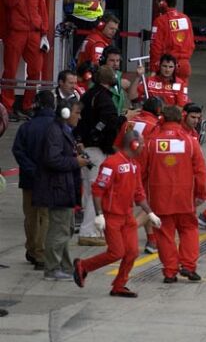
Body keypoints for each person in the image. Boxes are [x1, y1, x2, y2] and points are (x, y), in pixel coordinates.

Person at [73, 131, 161, 298]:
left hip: (127, 216)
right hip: (112, 216)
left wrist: (150, 213)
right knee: (116, 252)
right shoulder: (111, 164)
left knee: (132, 252)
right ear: (133, 144)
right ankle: (83, 265)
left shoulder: (135, 165)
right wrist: (99, 215)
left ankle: (119, 285)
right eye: (141, 143)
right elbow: (98, 190)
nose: (143, 146)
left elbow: (139, 193)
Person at [142, 105, 206, 283]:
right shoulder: (190, 142)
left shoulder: (150, 142)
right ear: (181, 119)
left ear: (162, 119)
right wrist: (201, 193)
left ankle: (170, 272)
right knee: (189, 230)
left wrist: (141, 197)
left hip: (159, 197)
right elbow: (200, 171)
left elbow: (142, 172)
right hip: (185, 197)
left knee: (164, 234)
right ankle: (188, 265)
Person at [33, 100, 91, 280]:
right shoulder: (55, 132)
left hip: (65, 186)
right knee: (58, 229)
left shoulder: (64, 131)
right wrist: (76, 162)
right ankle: (52, 268)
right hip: (57, 187)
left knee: (66, 228)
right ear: (66, 113)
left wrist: (76, 154)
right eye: (77, 113)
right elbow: (52, 159)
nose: (79, 117)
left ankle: (64, 265)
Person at [77, 65, 128, 246]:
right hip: (97, 151)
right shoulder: (105, 100)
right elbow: (110, 121)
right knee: (96, 192)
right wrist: (108, 143)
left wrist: (81, 138)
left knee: (88, 189)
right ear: (110, 80)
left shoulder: (88, 95)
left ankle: (89, 227)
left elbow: (79, 118)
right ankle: (89, 232)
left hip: (84, 148)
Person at [0, 0, 49, 118]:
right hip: (15, 33)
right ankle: (7, 107)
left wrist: (44, 33)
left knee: (36, 70)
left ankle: (27, 105)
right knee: (10, 71)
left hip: (34, 33)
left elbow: (42, 10)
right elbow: (9, 3)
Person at [12, 91, 56, 270]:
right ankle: (40, 252)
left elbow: (18, 151)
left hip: (29, 179)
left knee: (30, 215)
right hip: (49, 178)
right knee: (45, 216)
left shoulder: (26, 127)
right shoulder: (58, 127)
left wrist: (31, 169)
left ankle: (31, 248)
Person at [114, 96, 163, 254]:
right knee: (151, 205)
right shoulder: (156, 126)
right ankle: (128, 229)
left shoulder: (130, 121)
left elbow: (116, 145)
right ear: (158, 110)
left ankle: (151, 239)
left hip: (126, 167)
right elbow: (155, 151)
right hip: (145, 170)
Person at [149, 0, 195, 86]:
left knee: (165, 98)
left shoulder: (160, 21)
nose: (156, 4)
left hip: (167, 68)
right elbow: (191, 45)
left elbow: (155, 47)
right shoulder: (185, 19)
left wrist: (154, 68)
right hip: (184, 66)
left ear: (163, 2)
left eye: (157, 1)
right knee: (182, 98)